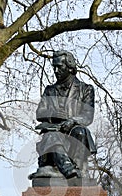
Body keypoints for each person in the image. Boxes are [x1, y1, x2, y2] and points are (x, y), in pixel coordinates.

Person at [29, 50, 96, 180]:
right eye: (54, 66)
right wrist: (53, 114)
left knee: (81, 132)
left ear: (70, 67)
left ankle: (76, 169)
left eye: (59, 66)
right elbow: (39, 113)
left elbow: (88, 115)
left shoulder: (85, 89)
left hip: (73, 129)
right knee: (53, 136)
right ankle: (69, 171)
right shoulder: (50, 90)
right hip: (54, 130)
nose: (55, 70)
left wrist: (72, 121)